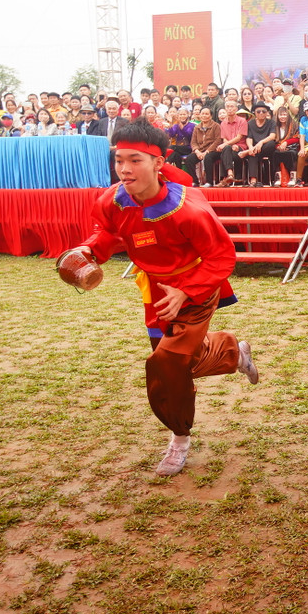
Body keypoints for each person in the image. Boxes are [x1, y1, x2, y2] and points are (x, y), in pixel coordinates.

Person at [76, 119, 258, 477]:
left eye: (135, 160)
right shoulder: (112, 200)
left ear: (159, 163)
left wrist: (187, 289)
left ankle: (179, 438)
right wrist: (88, 251)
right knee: (176, 363)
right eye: (119, 160)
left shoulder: (188, 208)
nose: (124, 170)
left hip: (195, 288)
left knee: (166, 364)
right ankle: (233, 351)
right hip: (155, 293)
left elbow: (222, 257)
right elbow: (109, 233)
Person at [240, 102, 277, 186]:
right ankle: (253, 181)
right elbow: (249, 138)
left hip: (266, 147)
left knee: (271, 143)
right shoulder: (250, 123)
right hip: (255, 149)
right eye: (258, 111)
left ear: (267, 113)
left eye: (264, 111)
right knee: (252, 153)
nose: (261, 113)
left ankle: (248, 152)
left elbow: (272, 136)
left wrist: (261, 142)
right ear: (254, 113)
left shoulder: (271, 122)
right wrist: (250, 147)